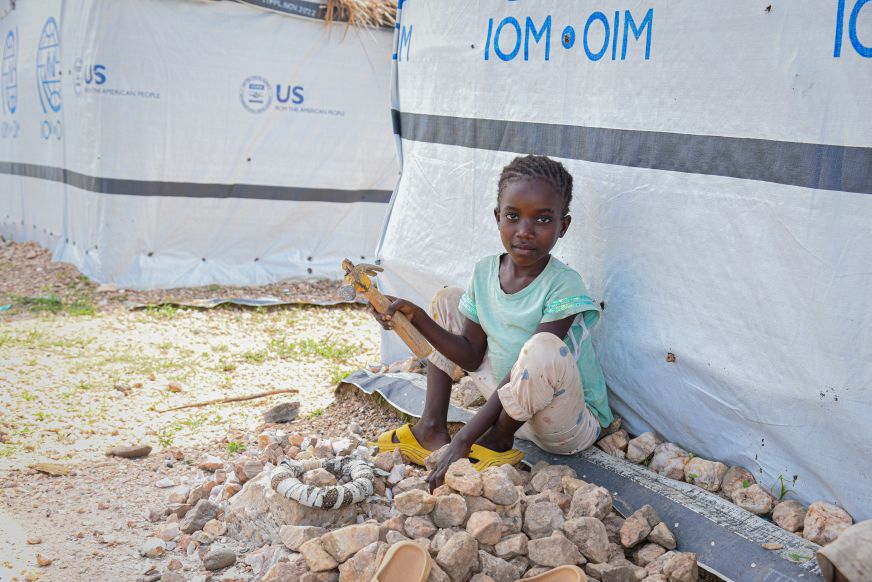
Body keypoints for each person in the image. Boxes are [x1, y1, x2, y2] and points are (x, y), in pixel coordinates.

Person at [370, 155, 613, 490]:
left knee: (541, 347)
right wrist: (418, 317)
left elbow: (525, 371)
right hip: (508, 404)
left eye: (542, 219)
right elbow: (470, 356)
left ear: (563, 226)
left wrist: (464, 441)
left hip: (562, 423)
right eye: (513, 216)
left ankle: (496, 441)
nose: (525, 232)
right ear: (498, 217)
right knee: (446, 300)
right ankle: (431, 428)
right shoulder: (486, 271)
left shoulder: (564, 284)